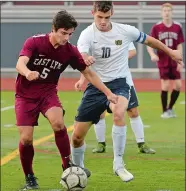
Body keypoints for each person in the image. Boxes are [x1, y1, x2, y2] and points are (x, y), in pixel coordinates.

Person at [70, 1, 182, 183]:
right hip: (96, 86)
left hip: (120, 83)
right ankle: (77, 169)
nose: (103, 21)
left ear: (112, 13)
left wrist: (171, 52)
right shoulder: (87, 34)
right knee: (76, 137)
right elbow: (82, 54)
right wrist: (86, 59)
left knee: (119, 112)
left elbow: (150, 40)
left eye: (107, 17)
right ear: (93, 13)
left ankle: (118, 164)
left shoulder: (125, 30)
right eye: (99, 17)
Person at [15, 10, 118, 190]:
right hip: (25, 96)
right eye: (63, 33)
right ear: (53, 29)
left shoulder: (70, 50)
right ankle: (30, 177)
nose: (66, 38)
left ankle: (67, 165)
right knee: (26, 139)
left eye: (70, 34)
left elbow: (88, 73)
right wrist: (27, 72)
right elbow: (20, 63)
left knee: (58, 124)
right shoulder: (34, 42)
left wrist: (108, 92)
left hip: (48, 93)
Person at [75, 42, 156, 154]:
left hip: (123, 81)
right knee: (99, 113)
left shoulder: (122, 33)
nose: (103, 23)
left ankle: (141, 143)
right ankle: (101, 143)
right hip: (100, 83)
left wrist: (115, 58)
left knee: (133, 111)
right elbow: (87, 62)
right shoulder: (92, 37)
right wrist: (82, 80)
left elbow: (132, 51)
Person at [147, 3, 184, 118]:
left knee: (178, 85)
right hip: (163, 60)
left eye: (169, 10)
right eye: (164, 10)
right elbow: (149, 43)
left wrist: (180, 60)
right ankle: (164, 111)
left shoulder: (177, 27)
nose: (167, 12)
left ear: (172, 12)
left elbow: (179, 45)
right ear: (161, 12)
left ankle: (170, 109)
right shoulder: (156, 27)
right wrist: (152, 54)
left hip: (174, 60)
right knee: (166, 85)